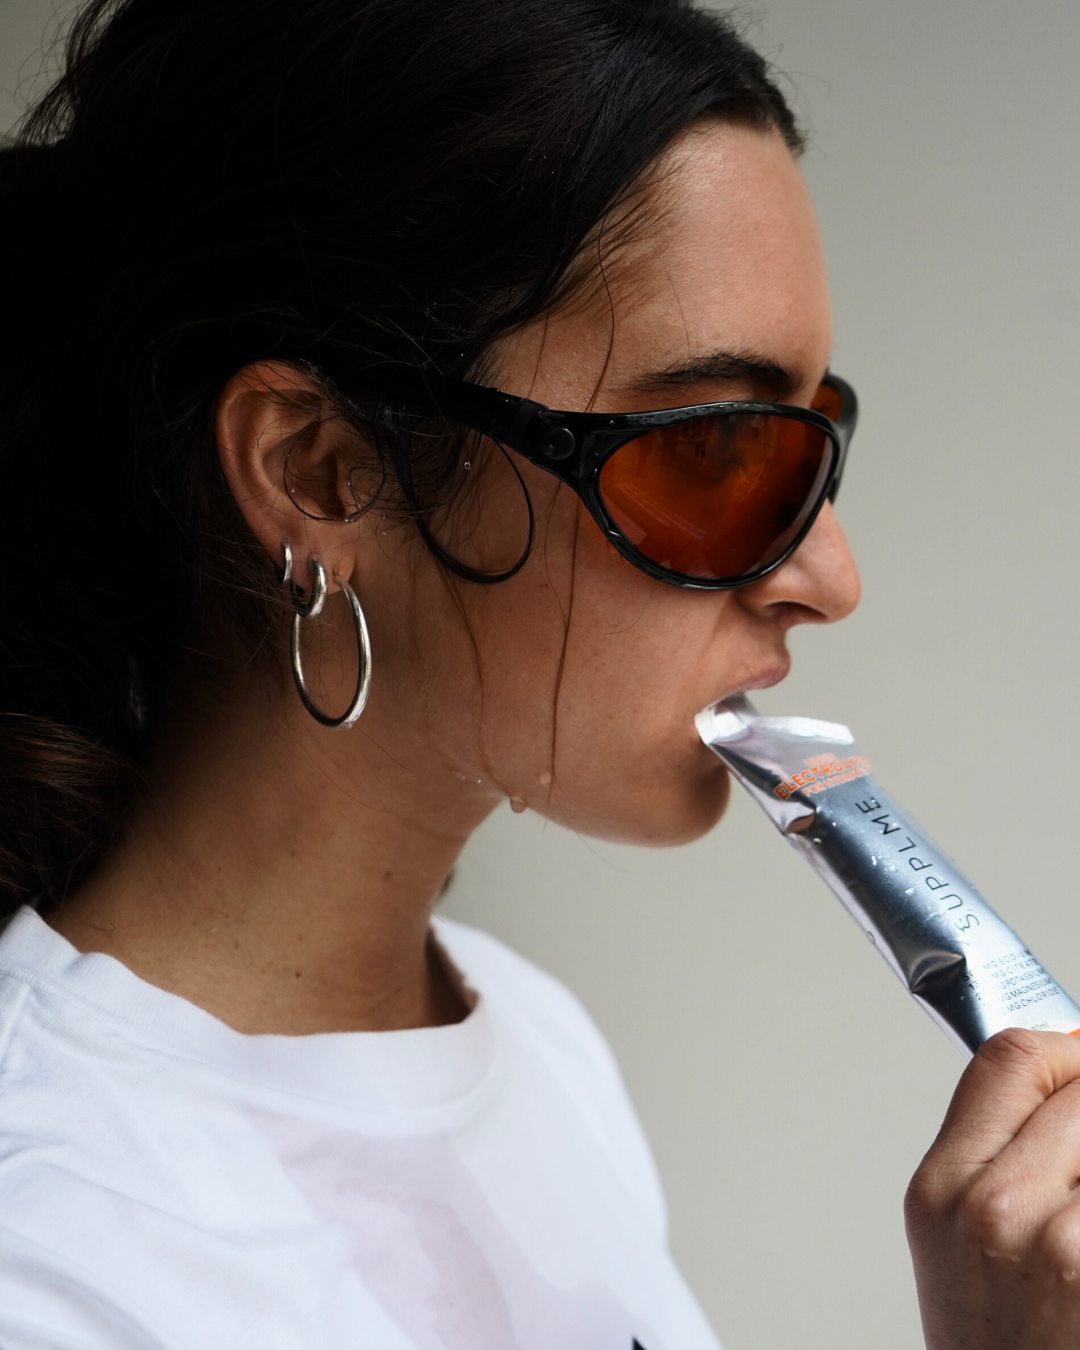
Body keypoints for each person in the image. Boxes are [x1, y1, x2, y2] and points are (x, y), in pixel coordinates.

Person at [0, 0, 1078, 1346]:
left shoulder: (538, 1044)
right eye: (716, 447)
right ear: (320, 473)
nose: (828, 574)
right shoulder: (48, 1243)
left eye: (812, 437)